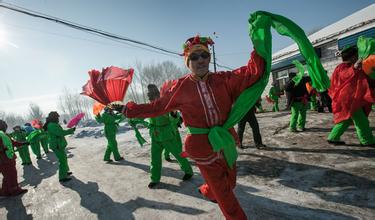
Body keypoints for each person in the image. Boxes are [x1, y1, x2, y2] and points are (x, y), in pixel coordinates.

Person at [115, 35, 265, 220]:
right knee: (226, 196)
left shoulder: (224, 79)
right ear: (187, 62)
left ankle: (208, 191)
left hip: (225, 140)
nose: (200, 60)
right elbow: (157, 107)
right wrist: (127, 109)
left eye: (204, 55)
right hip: (202, 147)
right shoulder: (180, 87)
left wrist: (260, 42)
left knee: (230, 182)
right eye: (194, 57)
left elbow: (250, 74)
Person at [130, 84, 193, 189]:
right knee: (154, 159)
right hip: (155, 136)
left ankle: (188, 171)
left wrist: (173, 114)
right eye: (149, 96)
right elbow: (144, 116)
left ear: (157, 95)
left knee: (178, 155)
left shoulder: (165, 105)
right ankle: (154, 179)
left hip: (167, 135)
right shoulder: (149, 106)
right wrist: (134, 119)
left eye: (152, 95)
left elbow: (175, 119)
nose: (151, 98)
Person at [327, 46, 375, 146]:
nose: (358, 57)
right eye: (356, 55)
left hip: (350, 98)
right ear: (353, 57)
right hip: (349, 99)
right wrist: (354, 67)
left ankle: (333, 137)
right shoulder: (342, 67)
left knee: (346, 120)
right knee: (361, 121)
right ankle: (367, 141)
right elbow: (344, 75)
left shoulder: (353, 67)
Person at [43, 111, 75, 182]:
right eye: (57, 117)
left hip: (58, 144)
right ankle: (62, 177)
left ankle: (65, 171)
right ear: (53, 117)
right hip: (56, 145)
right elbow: (60, 133)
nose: (58, 118)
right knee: (62, 160)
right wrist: (70, 131)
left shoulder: (53, 124)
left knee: (64, 158)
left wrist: (70, 130)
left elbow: (60, 131)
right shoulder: (51, 125)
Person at [0, 120, 28, 196]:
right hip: (4, 160)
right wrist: (2, 150)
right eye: (3, 124)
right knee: (11, 175)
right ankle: (15, 190)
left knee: (7, 176)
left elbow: (13, 142)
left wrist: (24, 143)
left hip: (9, 158)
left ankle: (5, 191)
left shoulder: (5, 134)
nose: (5, 126)